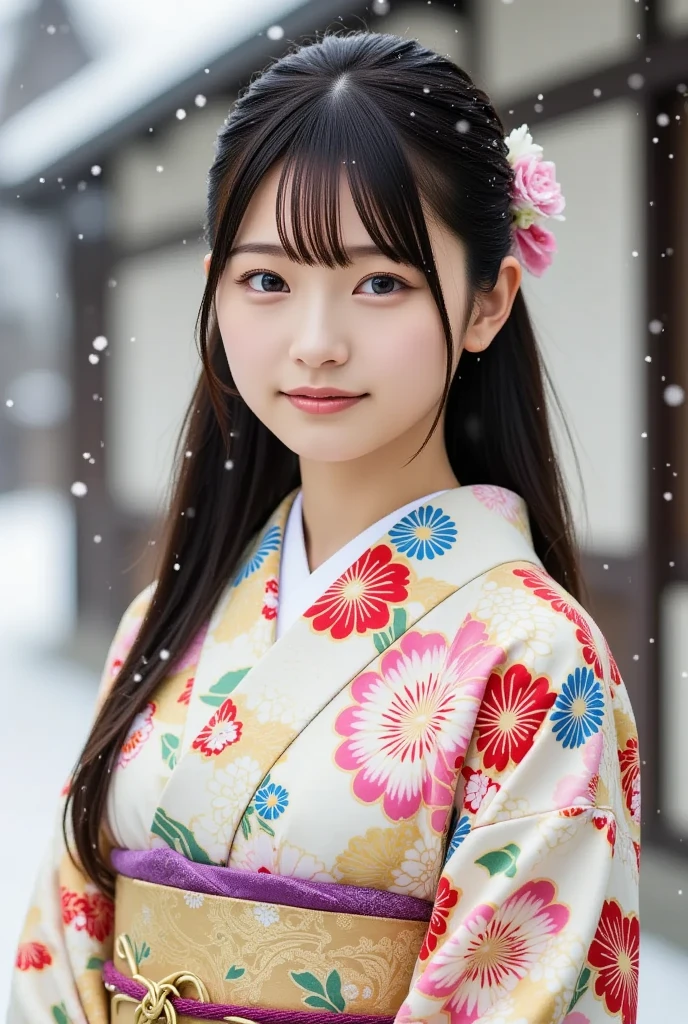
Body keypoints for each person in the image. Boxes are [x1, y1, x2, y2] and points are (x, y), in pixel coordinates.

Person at [9, 29, 640, 1024]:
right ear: (217, 293)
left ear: (488, 301)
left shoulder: (535, 657)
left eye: (379, 281)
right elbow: (63, 934)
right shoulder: (164, 617)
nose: (315, 342)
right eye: (267, 281)